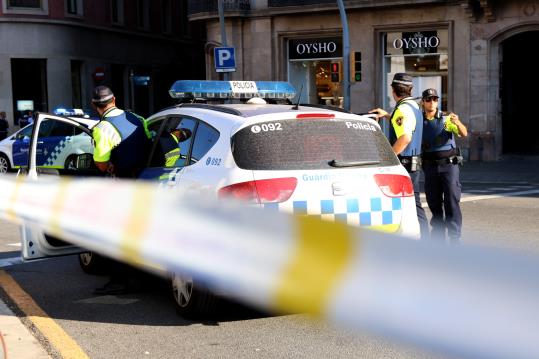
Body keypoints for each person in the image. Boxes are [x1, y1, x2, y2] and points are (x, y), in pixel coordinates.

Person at [90, 85, 150, 295]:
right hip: (147, 180)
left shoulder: (102, 128)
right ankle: (140, 276)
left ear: (94, 106)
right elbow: (149, 142)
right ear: (114, 99)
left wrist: (111, 164)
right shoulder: (138, 118)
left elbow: (101, 163)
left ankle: (120, 281)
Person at [369, 73, 429, 239]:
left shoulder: (402, 109)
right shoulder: (414, 106)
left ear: (393, 90)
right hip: (414, 162)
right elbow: (406, 126)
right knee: (413, 204)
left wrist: (389, 158)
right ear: (410, 89)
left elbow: (405, 137)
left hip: (405, 164)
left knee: (411, 206)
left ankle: (424, 244)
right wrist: (388, 115)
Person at [420, 88, 468, 243]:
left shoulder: (446, 119)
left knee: (451, 201)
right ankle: (438, 239)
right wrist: (387, 116)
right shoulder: (419, 120)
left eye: (434, 99)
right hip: (430, 167)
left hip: (449, 167)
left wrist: (457, 122)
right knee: (433, 202)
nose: (432, 102)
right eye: (428, 99)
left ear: (437, 101)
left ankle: (455, 239)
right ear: (423, 102)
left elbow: (463, 133)